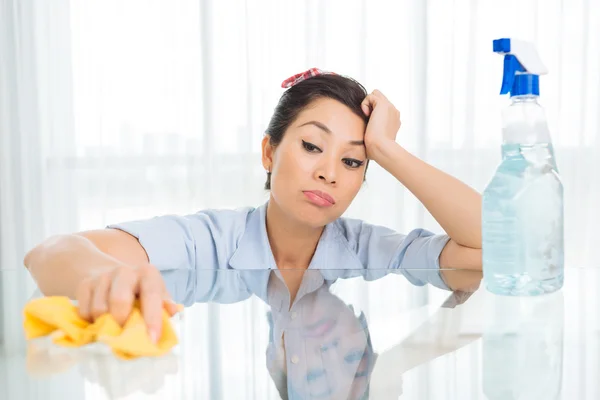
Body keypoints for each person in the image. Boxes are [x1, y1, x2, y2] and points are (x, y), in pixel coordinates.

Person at [24, 68, 483, 344]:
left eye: (352, 161)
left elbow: (494, 248)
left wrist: (388, 149)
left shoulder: (370, 251)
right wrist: (105, 279)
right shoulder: (210, 240)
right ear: (269, 152)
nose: (329, 172)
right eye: (310, 146)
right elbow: (49, 253)